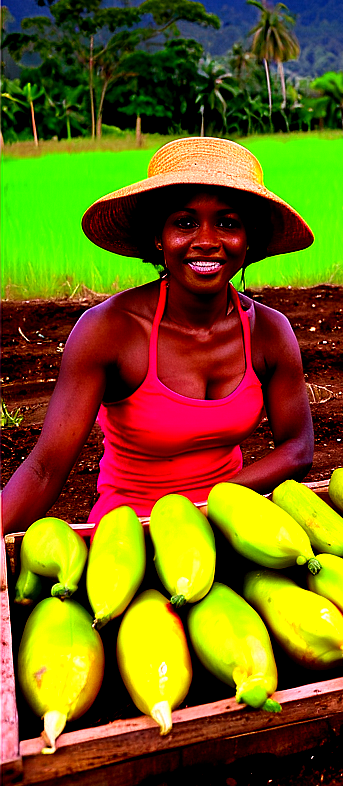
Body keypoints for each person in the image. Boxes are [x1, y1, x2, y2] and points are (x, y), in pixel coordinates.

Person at [1, 137, 316, 535]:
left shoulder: (269, 331)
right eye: (185, 222)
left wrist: (208, 507)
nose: (206, 240)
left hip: (228, 523)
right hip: (130, 537)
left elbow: (297, 449)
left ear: (248, 239)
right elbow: (45, 469)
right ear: (158, 236)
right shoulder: (110, 330)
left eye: (228, 222)